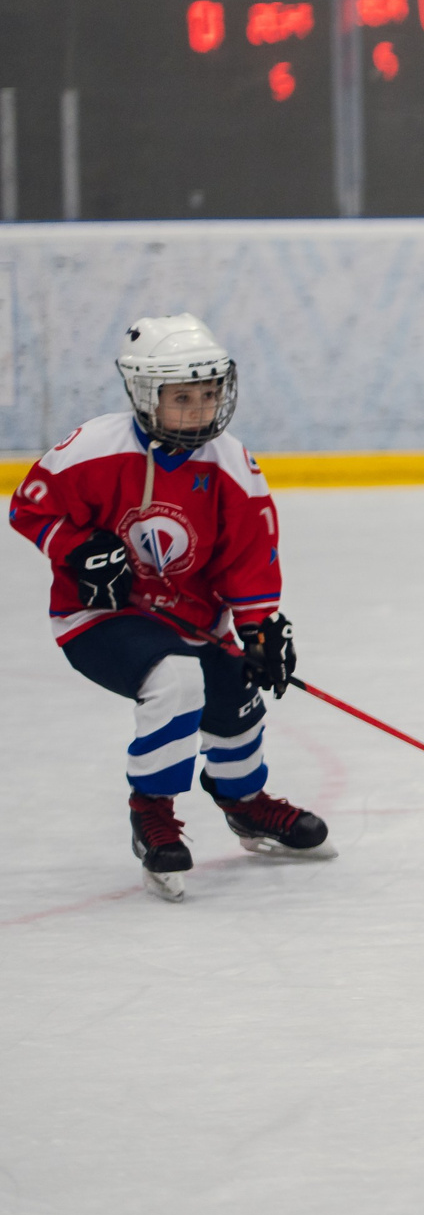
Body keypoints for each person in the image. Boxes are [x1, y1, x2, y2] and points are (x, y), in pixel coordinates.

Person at [8, 314, 329, 902]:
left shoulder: (232, 465)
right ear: (145, 394)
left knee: (236, 698)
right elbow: (30, 509)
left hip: (194, 620)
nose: (201, 411)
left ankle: (245, 802)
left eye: (209, 395)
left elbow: (250, 558)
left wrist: (257, 632)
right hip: (99, 618)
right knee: (177, 680)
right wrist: (79, 551)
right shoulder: (92, 449)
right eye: (184, 398)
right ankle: (151, 810)